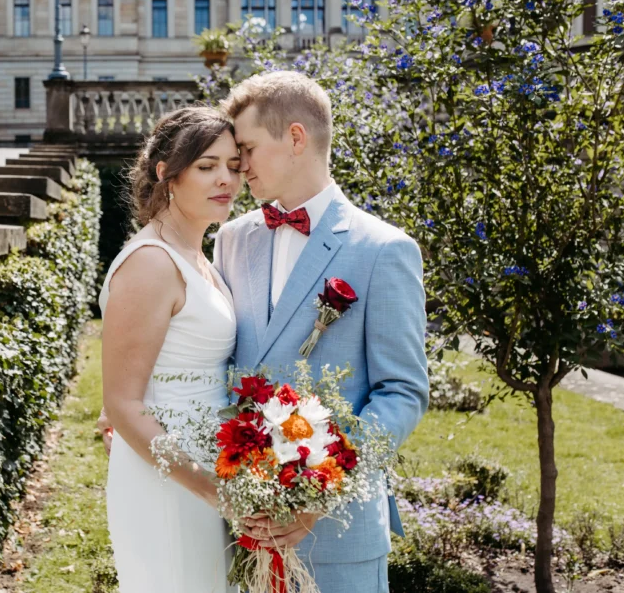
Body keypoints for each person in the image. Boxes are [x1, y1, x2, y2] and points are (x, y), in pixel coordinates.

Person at [100, 71, 429, 593]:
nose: (238, 170)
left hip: (336, 534)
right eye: (220, 162)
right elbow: (203, 348)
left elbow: (403, 392)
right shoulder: (231, 238)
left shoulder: (382, 249)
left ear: (296, 138)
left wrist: (319, 494)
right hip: (238, 526)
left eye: (245, 151)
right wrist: (129, 406)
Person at [100, 106, 242, 593]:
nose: (225, 178)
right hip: (172, 477)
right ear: (167, 175)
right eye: (206, 166)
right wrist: (210, 488)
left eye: (233, 165)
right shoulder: (152, 264)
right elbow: (122, 404)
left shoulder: (197, 256)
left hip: (207, 468)